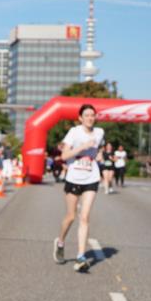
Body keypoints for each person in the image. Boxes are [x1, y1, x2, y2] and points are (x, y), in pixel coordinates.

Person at [53, 104, 104, 272]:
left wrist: (98, 155)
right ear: (80, 118)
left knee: (85, 217)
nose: (90, 117)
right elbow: (64, 155)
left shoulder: (99, 132)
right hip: (74, 178)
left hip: (91, 177)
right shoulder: (74, 132)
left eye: (92, 115)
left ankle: (81, 256)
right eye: (87, 115)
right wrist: (82, 147)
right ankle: (60, 242)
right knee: (71, 217)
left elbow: (97, 150)